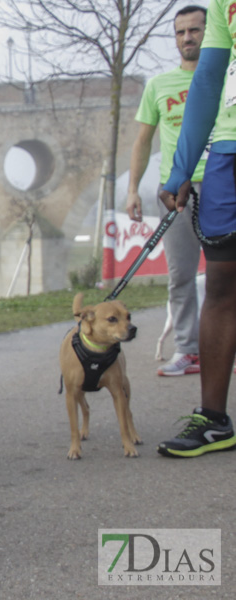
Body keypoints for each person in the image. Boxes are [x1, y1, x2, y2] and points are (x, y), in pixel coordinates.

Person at [157, 2, 236, 457]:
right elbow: (208, 80)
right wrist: (182, 165)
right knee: (222, 282)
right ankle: (214, 421)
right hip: (227, 147)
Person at [126, 5, 207, 378]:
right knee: (180, 275)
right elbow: (142, 142)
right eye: (180, 32)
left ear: (212, 33)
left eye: (195, 30)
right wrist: (132, 189)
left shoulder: (227, 78)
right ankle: (188, 351)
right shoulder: (159, 86)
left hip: (222, 183)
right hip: (174, 193)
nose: (187, 38)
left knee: (228, 274)